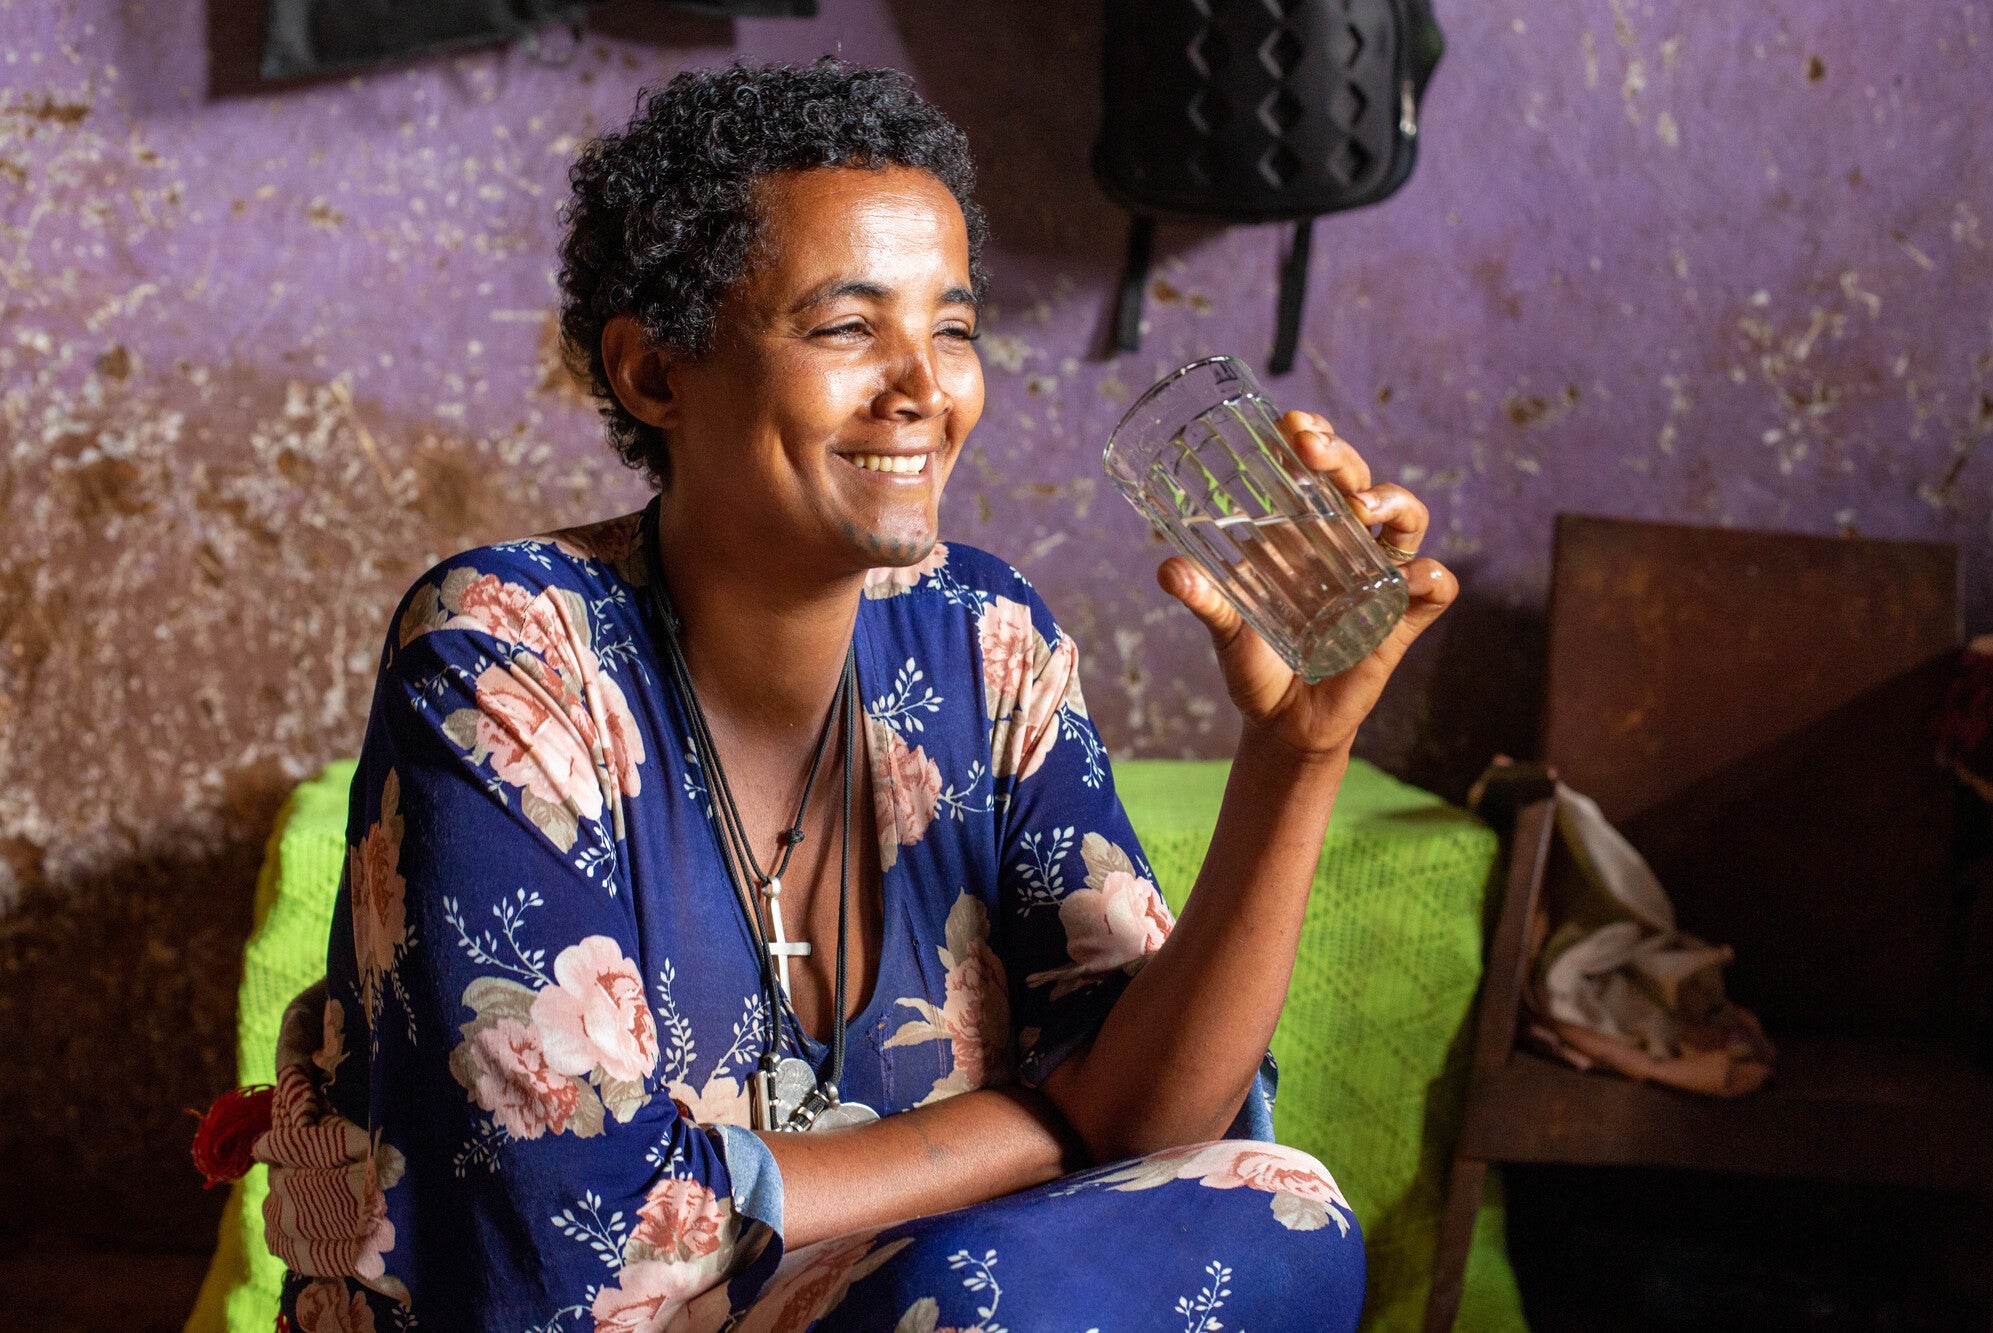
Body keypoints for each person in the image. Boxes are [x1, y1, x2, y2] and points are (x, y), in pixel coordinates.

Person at [252, 58, 1455, 1332]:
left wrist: (1295, 750)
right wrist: (1054, 1118)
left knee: (1279, 1213)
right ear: (655, 372)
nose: (924, 387)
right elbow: (573, 1237)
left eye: (953, 328)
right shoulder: (506, 651)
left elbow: (1163, 1122)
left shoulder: (984, 643)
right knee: (974, 1296)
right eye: (846, 328)